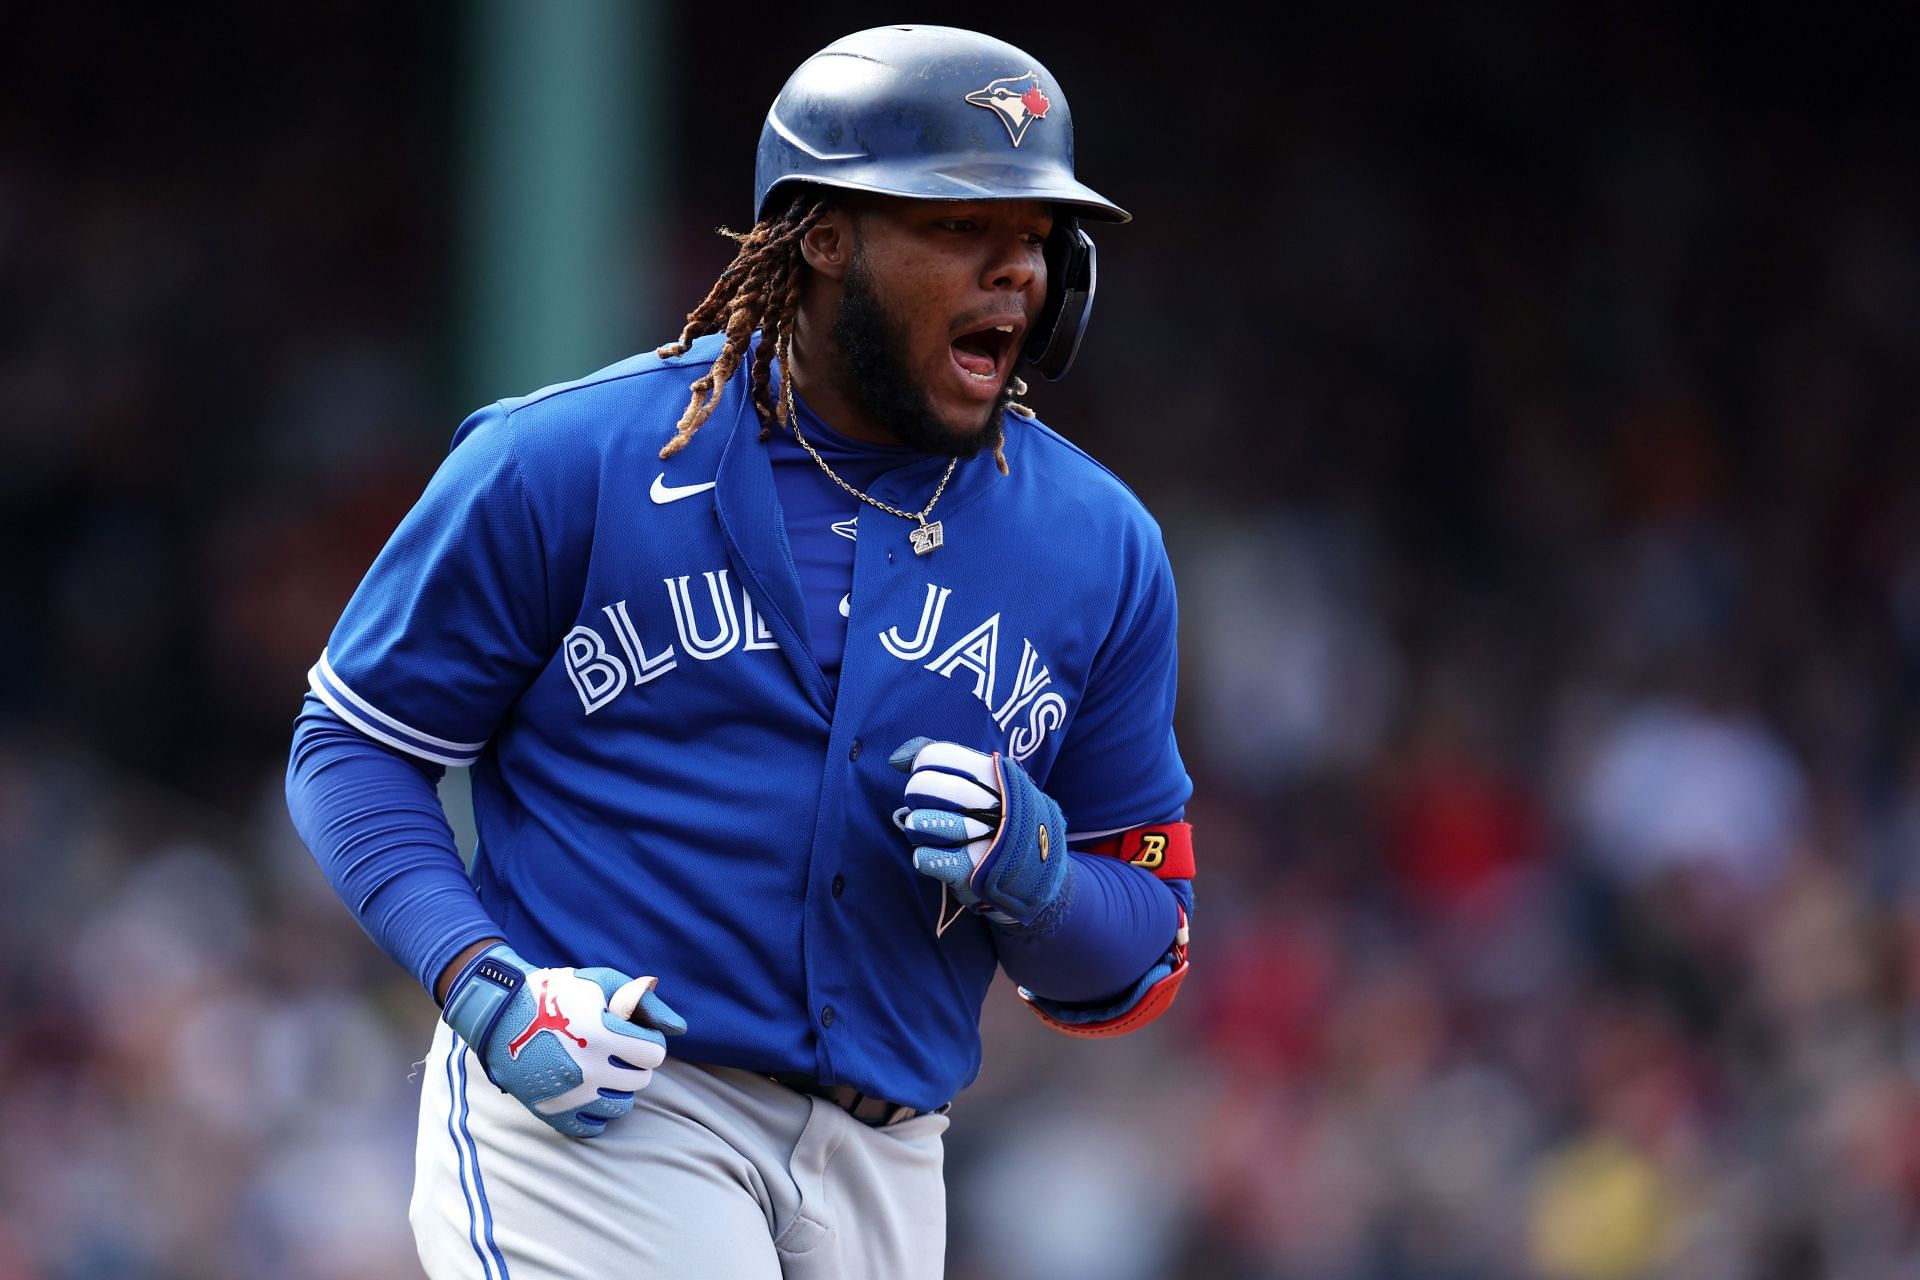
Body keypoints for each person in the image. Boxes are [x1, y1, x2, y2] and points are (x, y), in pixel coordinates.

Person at [286, 24, 1194, 1280]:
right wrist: (484, 982)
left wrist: (1034, 869)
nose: (1014, 276)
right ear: (821, 236)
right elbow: (352, 746)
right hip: (610, 1106)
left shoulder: (1099, 545)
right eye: (957, 227)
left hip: (889, 1157)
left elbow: (1145, 948)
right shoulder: (569, 460)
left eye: (1035, 238)